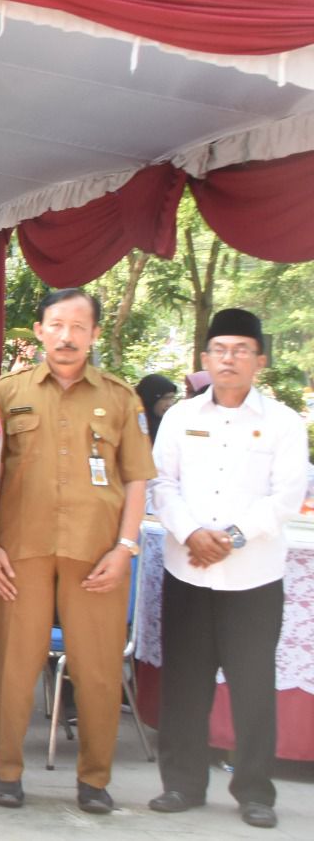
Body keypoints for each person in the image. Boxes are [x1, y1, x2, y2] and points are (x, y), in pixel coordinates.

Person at [0, 288, 154, 815]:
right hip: (21, 549)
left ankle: (94, 780)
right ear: (38, 331)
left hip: (97, 553)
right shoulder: (5, 392)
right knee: (13, 664)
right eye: (56, 325)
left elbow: (139, 479)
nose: (67, 336)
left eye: (79, 327)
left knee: (98, 668)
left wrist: (126, 548)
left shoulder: (122, 398)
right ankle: (7, 772)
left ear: (95, 335)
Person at [147, 309, 306, 830]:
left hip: (252, 577)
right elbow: (161, 484)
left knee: (253, 685)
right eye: (221, 349)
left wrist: (231, 538)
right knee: (185, 682)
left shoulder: (282, 422)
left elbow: (285, 497)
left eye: (241, 350)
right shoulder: (180, 417)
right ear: (205, 359)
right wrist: (192, 532)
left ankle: (255, 791)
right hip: (187, 570)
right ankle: (182, 784)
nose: (230, 358)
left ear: (260, 360)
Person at [135, 373, 179, 438]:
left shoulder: (173, 425)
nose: (170, 404)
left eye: (172, 398)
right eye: (165, 398)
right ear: (150, 399)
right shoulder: (133, 426)